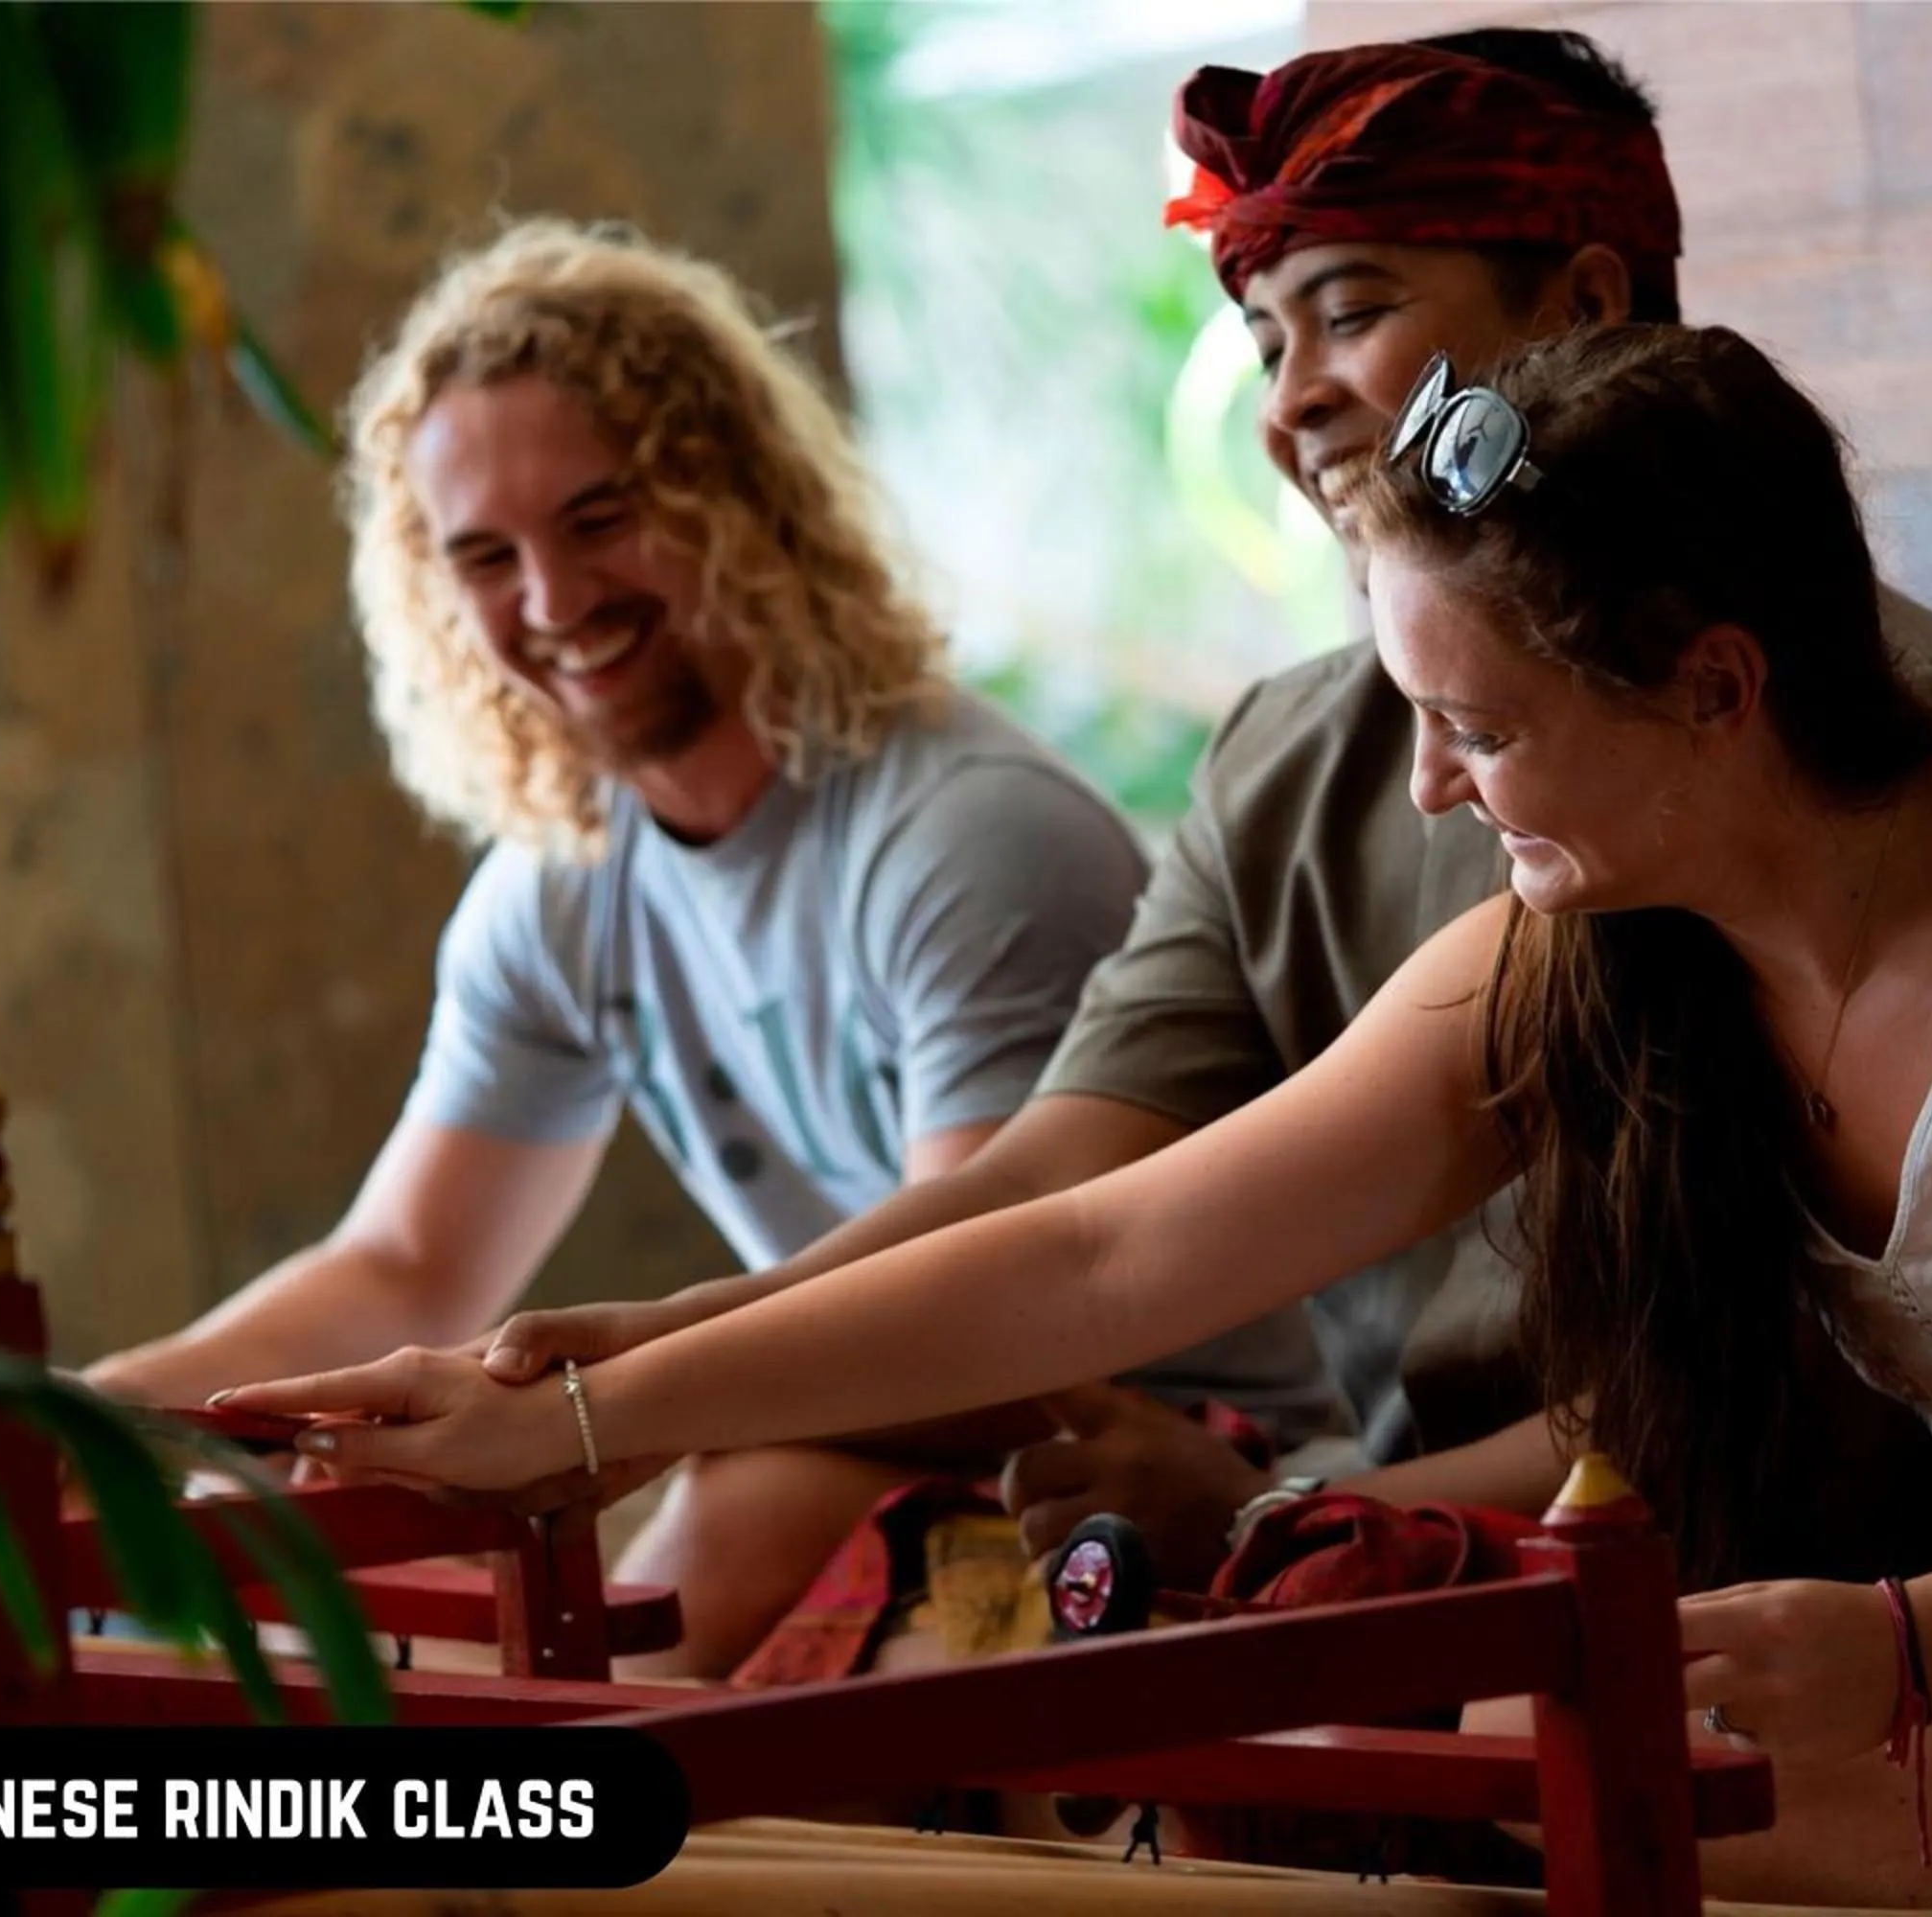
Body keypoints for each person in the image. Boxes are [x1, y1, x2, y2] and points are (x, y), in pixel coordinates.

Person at [228, 321, 1932, 1916]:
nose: (1427, 787)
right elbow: (1106, 1255)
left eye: (1475, 728)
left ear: (1712, 689)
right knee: (1503, 1777)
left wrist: (1902, 1645)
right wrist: (587, 1413)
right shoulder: (1584, 949)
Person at [469, 30, 1932, 1606]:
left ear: (1583, 305)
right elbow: (1074, 1217)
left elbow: (1791, 1385)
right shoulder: (1291, 754)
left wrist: (1300, 1519)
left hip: (1814, 1621)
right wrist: (654, 1361)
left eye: (1351, 314)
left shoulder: (1868, 740)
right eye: (1259, 345)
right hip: (1430, 1587)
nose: (1294, 399)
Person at [85, 217, 1338, 1673]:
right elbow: (406, 1264)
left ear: (739, 498)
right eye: (486, 556)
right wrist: (86, 1416)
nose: (551, 602)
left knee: (702, 1532)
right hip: (841, 1408)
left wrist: (596, 1405)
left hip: (1150, 1456)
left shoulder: (968, 836)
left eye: (602, 519)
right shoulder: (560, 886)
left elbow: (1014, 1320)